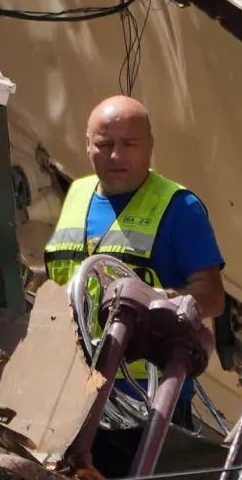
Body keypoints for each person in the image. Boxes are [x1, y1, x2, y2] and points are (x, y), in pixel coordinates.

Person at [43, 95, 226, 418]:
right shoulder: (77, 194)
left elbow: (213, 297)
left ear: (150, 145)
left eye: (129, 143)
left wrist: (163, 301)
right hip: (67, 391)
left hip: (145, 402)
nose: (116, 155)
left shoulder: (180, 208)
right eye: (104, 143)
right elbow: (69, 275)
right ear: (87, 144)